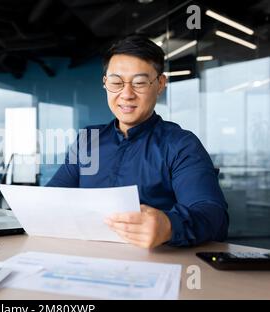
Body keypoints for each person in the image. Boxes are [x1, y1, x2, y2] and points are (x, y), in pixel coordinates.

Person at [46, 35, 229, 248]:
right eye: (116, 82)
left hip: (155, 264)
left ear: (160, 84)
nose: (126, 94)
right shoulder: (88, 140)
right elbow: (52, 198)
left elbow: (214, 217)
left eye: (139, 83)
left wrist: (169, 226)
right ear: (105, 83)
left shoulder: (181, 145)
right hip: (85, 260)